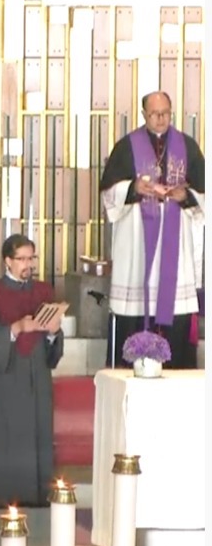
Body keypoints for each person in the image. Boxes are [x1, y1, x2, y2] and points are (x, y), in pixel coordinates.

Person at [99, 91, 205, 369]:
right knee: (136, 305)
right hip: (136, 251)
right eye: (155, 113)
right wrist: (132, 188)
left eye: (166, 113)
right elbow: (108, 193)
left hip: (175, 251)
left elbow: (205, 193)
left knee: (175, 314)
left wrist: (187, 195)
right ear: (144, 114)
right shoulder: (126, 147)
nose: (161, 119)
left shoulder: (188, 146)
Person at [0, 234, 64, 509]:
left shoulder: (43, 292)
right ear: (8, 261)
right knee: (6, 442)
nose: (28, 265)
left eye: (31, 258)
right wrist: (16, 329)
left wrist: (52, 333)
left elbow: (53, 346)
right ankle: (2, 504)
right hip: (6, 380)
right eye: (22, 259)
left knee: (37, 442)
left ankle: (37, 504)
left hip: (37, 377)